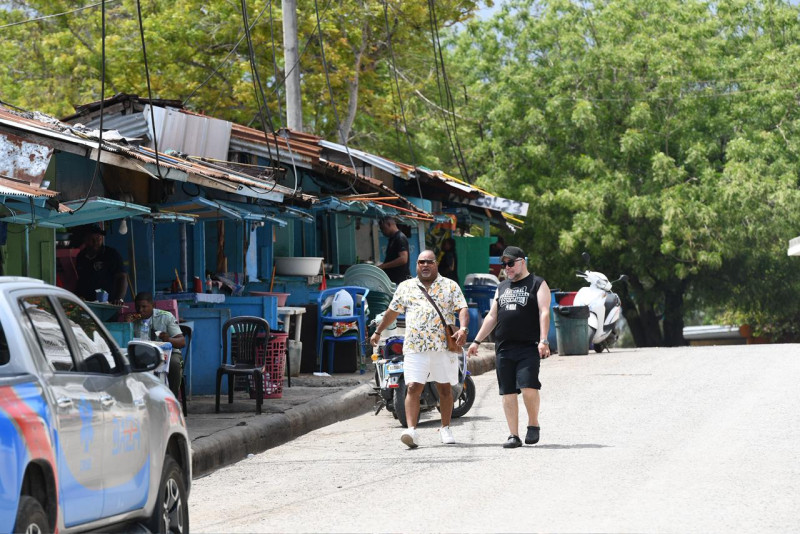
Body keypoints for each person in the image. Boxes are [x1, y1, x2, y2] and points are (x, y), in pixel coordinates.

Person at [370, 249, 469, 448]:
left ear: (436, 264)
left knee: (444, 388)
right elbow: (392, 311)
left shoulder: (450, 286)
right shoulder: (406, 287)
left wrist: (464, 328)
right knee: (413, 387)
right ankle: (412, 431)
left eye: (429, 262)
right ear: (416, 265)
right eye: (421, 262)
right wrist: (378, 331)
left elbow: (462, 308)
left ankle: (446, 428)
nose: (425, 265)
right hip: (415, 347)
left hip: (442, 346)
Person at [467, 245, 551, 448]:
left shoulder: (537, 283)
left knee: (528, 386)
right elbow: (492, 316)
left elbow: (544, 312)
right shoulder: (502, 287)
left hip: (528, 346)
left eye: (511, 263)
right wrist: (476, 341)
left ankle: (533, 424)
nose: (507, 268)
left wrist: (544, 339)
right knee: (507, 392)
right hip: (504, 347)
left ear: (522, 261)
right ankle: (513, 434)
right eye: (504, 264)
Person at [131, 292, 186, 399]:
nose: (140, 310)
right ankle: (139, 400)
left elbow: (182, 341)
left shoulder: (166, 317)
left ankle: (172, 399)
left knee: (174, 363)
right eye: (137, 307)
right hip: (143, 354)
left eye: (144, 307)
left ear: (153, 306)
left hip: (169, 353)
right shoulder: (133, 321)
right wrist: (126, 325)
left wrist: (169, 339)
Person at [75, 224, 127, 305]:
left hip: (109, 303)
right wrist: (78, 296)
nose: (96, 242)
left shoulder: (111, 254)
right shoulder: (81, 256)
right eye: (92, 239)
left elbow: (122, 277)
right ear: (85, 240)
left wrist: (119, 299)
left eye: (98, 238)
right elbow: (81, 279)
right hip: (87, 303)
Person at [377, 216, 411, 285]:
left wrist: (383, 266)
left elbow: (403, 259)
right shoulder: (392, 238)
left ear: (389, 224)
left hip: (400, 281)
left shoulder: (400, 237)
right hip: (393, 281)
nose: (382, 231)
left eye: (383, 228)